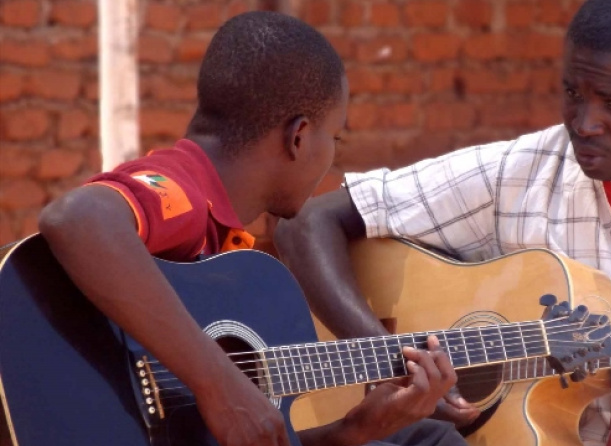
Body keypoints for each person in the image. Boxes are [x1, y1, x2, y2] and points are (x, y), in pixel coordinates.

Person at [274, 0, 611, 445]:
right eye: (572, 93)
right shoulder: (522, 172)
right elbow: (306, 225)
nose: (583, 123)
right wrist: (396, 365)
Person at [38, 11, 467, 446]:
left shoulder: (224, 244)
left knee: (421, 436)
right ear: (298, 137)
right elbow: (78, 217)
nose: (332, 159)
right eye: (334, 139)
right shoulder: (183, 189)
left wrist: (356, 429)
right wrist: (219, 385)